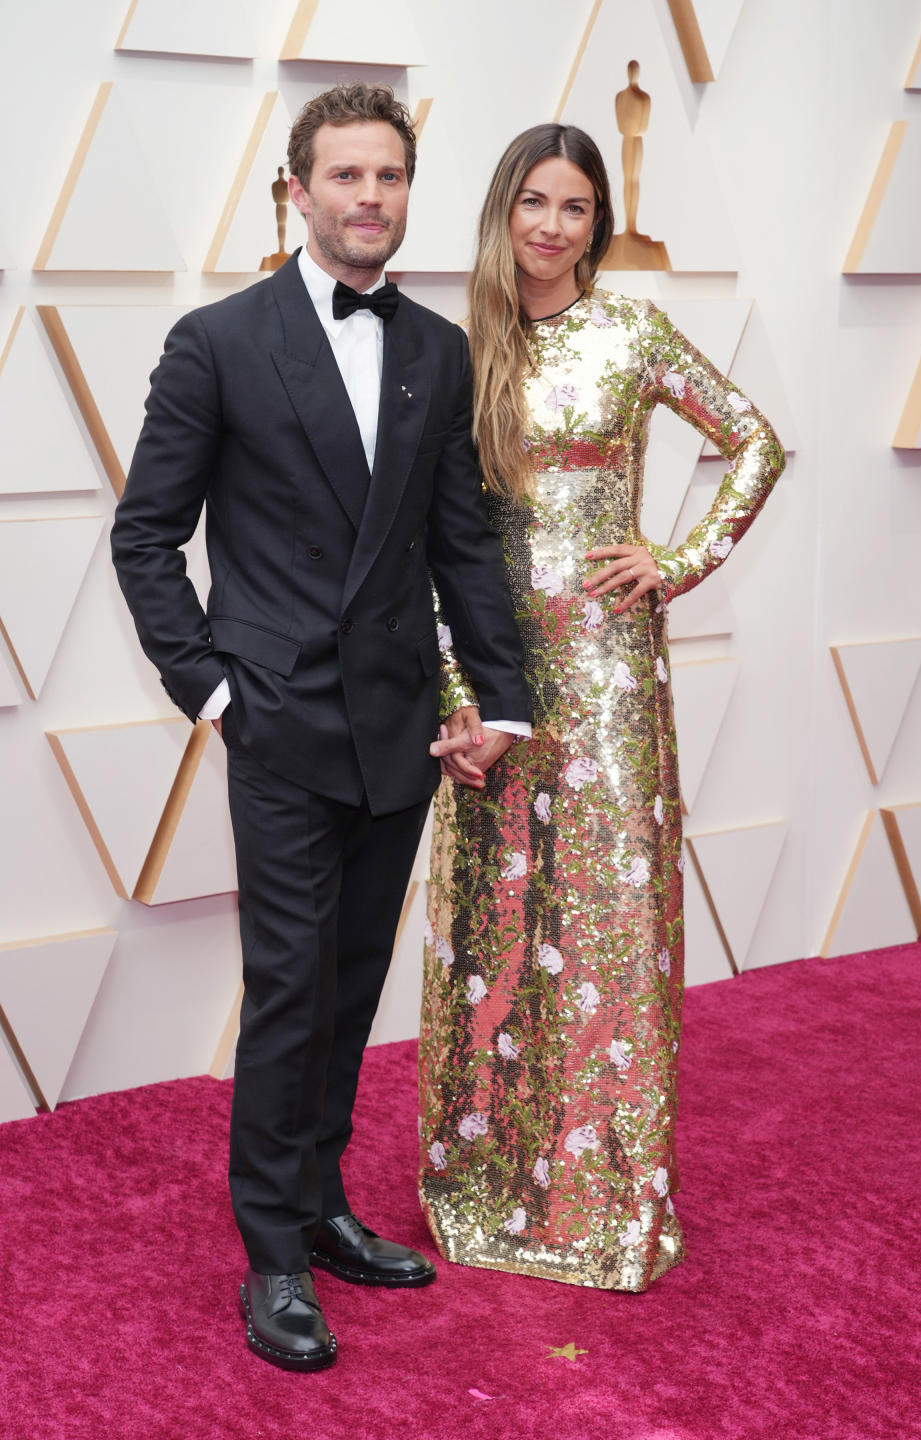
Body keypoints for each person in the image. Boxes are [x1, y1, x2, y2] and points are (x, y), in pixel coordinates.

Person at [111, 83, 531, 1370]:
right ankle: (274, 1256)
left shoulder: (438, 349)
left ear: (409, 193)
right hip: (282, 727)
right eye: (345, 176)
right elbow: (145, 537)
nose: (369, 199)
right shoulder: (217, 341)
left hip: (399, 729)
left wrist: (502, 697)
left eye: (389, 178)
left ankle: (322, 1200)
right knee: (289, 990)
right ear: (295, 191)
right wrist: (216, 689)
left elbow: (459, 537)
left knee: (350, 987)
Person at [419, 123, 785, 1291]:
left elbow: (756, 442)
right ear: (501, 210)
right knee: (496, 926)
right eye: (533, 201)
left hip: (612, 674)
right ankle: (486, 1177)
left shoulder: (630, 331)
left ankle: (606, 1198)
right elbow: (431, 533)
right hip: (489, 670)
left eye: (574, 208)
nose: (551, 226)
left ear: (599, 224)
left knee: (610, 927)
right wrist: (453, 688)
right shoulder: (461, 346)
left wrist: (679, 560)